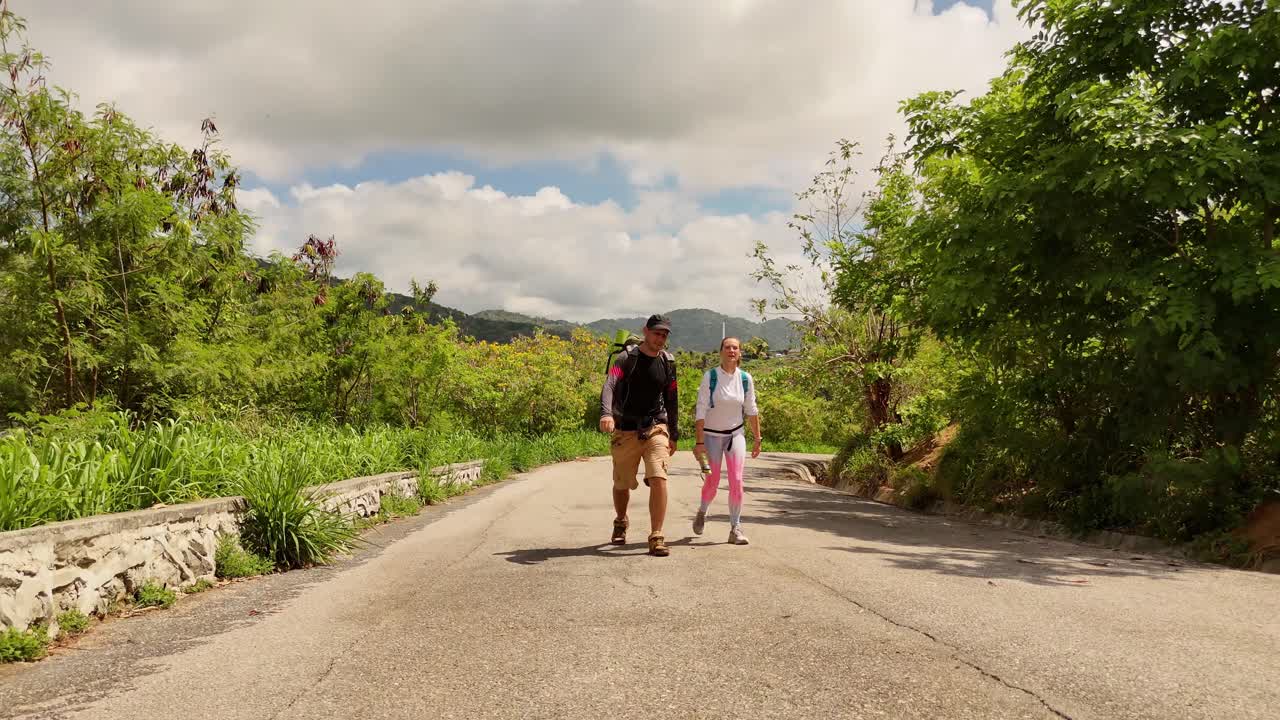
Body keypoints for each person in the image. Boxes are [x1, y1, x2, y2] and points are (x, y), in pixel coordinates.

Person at [599, 314, 680, 556]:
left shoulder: (667, 362)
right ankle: (621, 520)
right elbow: (609, 384)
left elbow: (672, 398)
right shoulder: (625, 359)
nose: (661, 338)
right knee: (621, 483)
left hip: (656, 427)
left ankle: (656, 535)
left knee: (659, 477)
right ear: (646, 331)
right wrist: (606, 414)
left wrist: (673, 433)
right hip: (626, 429)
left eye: (665, 334)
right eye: (657, 333)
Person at [692, 337, 761, 545]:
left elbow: (751, 409)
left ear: (740, 353)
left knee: (737, 481)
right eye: (728, 347)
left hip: (735, 436)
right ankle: (703, 511)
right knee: (711, 482)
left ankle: (735, 527)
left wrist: (757, 438)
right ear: (721, 351)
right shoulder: (710, 377)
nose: (732, 350)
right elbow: (701, 409)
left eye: (735, 348)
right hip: (711, 437)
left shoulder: (745, 379)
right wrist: (699, 442)